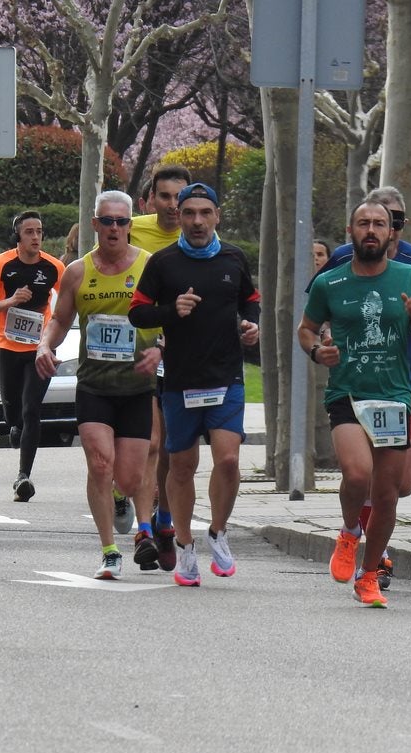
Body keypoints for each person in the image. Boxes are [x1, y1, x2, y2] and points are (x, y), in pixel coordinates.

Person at [298, 200, 411, 608]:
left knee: (388, 494)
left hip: (393, 395)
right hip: (347, 393)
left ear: (391, 232)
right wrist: (316, 351)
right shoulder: (331, 283)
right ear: (351, 230)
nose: (372, 230)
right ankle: (347, 532)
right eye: (364, 223)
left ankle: (370, 573)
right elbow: (306, 330)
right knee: (357, 476)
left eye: (379, 223)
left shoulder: (410, 276)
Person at [128, 182, 260, 588]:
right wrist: (172, 309)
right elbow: (138, 313)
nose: (198, 221)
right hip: (180, 381)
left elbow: (249, 298)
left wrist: (251, 323)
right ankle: (185, 546)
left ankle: (218, 532)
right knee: (182, 467)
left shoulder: (234, 257)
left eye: (205, 213)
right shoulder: (163, 263)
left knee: (228, 461)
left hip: (225, 377)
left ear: (217, 216)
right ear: (180, 217)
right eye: (190, 213)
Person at [36, 192, 162, 580]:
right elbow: (60, 319)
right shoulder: (76, 271)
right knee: (100, 464)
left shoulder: (150, 267)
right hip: (94, 386)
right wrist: (44, 344)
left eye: (121, 222)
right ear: (95, 225)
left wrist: (160, 349)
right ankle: (110, 549)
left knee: (129, 477)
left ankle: (133, 511)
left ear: (130, 225)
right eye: (106, 221)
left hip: (137, 387)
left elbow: (172, 318)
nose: (114, 228)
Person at [124, 165, 192, 569]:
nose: (172, 205)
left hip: (181, 358)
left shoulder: (201, 237)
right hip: (138, 353)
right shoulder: (132, 229)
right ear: (150, 201)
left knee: (170, 448)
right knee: (150, 443)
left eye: (178, 198)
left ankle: (164, 521)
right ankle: (143, 527)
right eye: (164, 197)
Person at [0, 209, 65, 502]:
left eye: (39, 231)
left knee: (31, 410)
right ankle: (12, 425)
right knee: (13, 414)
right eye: (29, 232)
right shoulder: (1, 264)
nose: (36, 237)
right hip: (9, 348)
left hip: (40, 350)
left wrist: (56, 343)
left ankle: (23, 477)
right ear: (18, 235)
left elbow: (68, 306)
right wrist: (12, 300)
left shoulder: (53, 267)